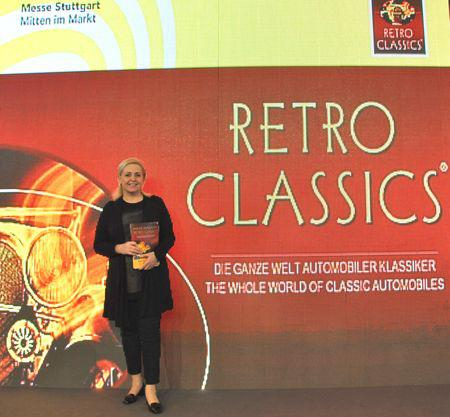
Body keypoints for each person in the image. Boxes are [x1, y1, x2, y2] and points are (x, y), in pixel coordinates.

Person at [94, 157, 175, 414]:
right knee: (129, 336)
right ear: (120, 178)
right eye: (127, 175)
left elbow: (169, 237)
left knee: (150, 337)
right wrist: (118, 247)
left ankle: (151, 388)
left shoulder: (155, 204)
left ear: (143, 178)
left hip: (150, 283)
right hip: (122, 285)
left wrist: (156, 256)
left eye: (137, 175)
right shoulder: (111, 209)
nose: (132, 179)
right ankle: (136, 382)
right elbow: (99, 244)